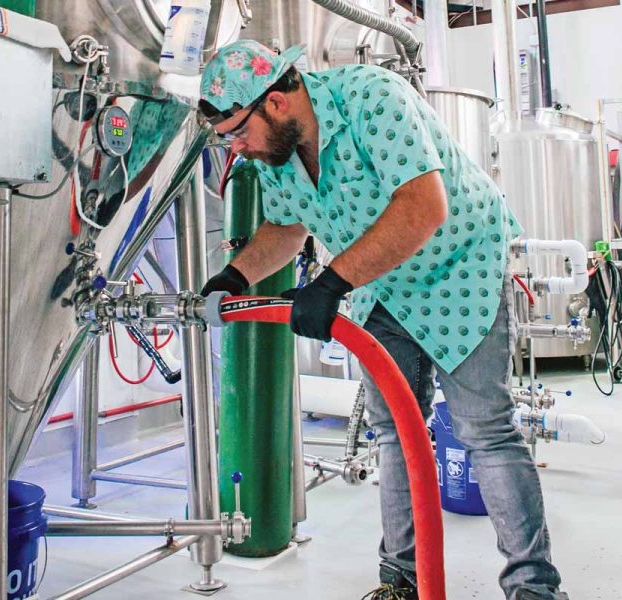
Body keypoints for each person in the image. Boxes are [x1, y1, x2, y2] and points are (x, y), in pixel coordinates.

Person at [197, 40, 567, 600]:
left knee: (484, 431)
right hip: (379, 279)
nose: (239, 149)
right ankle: (401, 580)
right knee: (396, 433)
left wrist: (331, 282)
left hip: (456, 266)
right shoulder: (276, 152)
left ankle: (534, 589)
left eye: (238, 132)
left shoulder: (372, 97)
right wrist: (235, 276)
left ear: (274, 102)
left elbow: (423, 206)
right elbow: (286, 228)